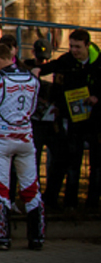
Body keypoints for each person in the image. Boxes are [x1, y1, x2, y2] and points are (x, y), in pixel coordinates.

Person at [0, 44, 45, 250]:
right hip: (26, 137)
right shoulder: (32, 79)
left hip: (2, 139)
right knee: (31, 187)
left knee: (1, 188)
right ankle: (37, 238)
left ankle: (3, 238)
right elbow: (34, 108)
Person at [31, 29, 100, 211]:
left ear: (87, 45)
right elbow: (53, 66)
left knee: (96, 165)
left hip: (95, 119)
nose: (74, 50)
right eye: (71, 47)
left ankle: (92, 204)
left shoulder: (98, 63)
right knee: (72, 161)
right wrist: (39, 69)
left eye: (77, 47)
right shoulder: (67, 60)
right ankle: (70, 202)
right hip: (72, 118)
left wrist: (96, 97)